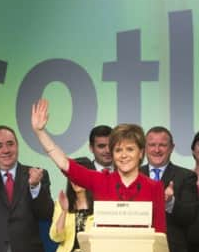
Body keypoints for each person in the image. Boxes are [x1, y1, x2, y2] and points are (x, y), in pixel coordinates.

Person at [30, 99, 166, 233]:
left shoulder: (154, 187)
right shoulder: (101, 181)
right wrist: (40, 132)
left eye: (130, 149)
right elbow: (65, 164)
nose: (124, 155)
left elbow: (160, 234)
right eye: (118, 150)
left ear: (141, 152)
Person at [142, 126, 198, 252]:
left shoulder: (186, 176)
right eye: (152, 145)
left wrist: (170, 203)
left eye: (163, 145)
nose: (157, 149)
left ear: (172, 148)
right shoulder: (134, 175)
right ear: (145, 148)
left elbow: (190, 215)